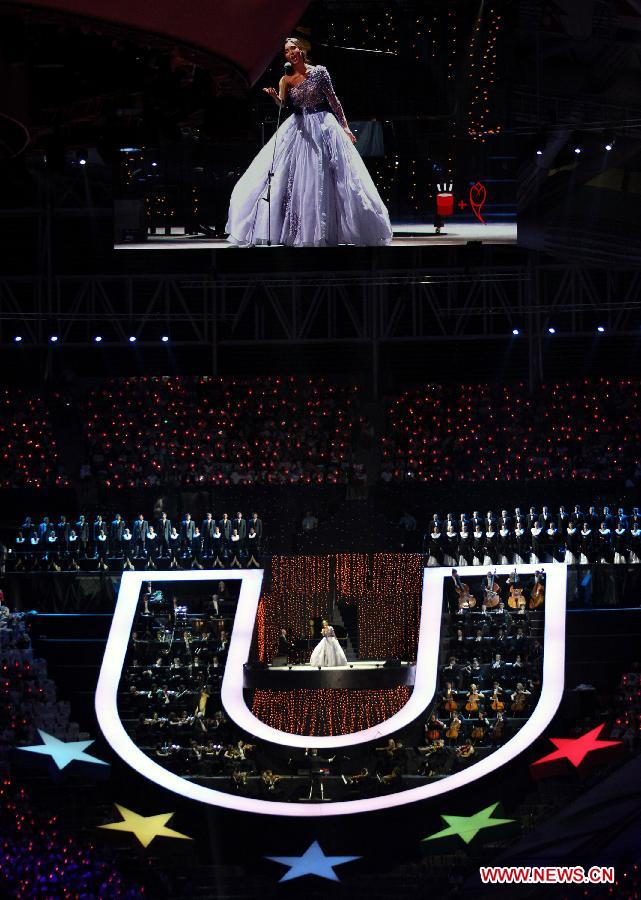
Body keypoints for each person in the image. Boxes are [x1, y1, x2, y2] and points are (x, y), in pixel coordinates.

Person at [226, 38, 392, 248]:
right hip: (299, 125)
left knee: (328, 173)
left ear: (301, 50)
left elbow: (333, 100)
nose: (291, 53)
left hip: (322, 123)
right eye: (286, 51)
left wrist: (345, 126)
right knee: (294, 176)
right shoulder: (285, 79)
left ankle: (332, 228)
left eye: (293, 48)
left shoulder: (320, 72)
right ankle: (299, 229)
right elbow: (283, 105)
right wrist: (274, 97)